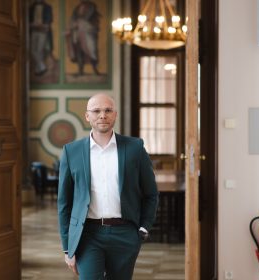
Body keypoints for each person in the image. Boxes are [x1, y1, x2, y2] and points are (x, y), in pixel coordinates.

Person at [57, 93, 159, 279]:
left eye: (107, 110)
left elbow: (151, 193)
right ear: (87, 116)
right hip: (87, 235)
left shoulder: (135, 148)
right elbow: (64, 203)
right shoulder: (71, 151)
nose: (102, 115)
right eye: (96, 111)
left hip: (125, 234)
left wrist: (143, 228)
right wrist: (67, 247)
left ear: (115, 115)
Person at [65, 0, 101, 75]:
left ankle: (95, 69)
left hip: (88, 32)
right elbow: (73, 19)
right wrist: (72, 26)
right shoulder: (77, 8)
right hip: (78, 33)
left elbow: (89, 18)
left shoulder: (91, 6)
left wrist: (80, 22)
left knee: (91, 51)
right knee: (79, 50)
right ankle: (80, 70)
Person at [29, 0, 53, 76]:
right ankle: (42, 67)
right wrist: (32, 24)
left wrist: (43, 25)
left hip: (43, 31)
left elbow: (49, 19)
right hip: (34, 30)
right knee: (33, 50)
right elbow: (29, 19)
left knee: (39, 50)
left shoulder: (47, 7)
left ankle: (38, 70)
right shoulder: (32, 7)